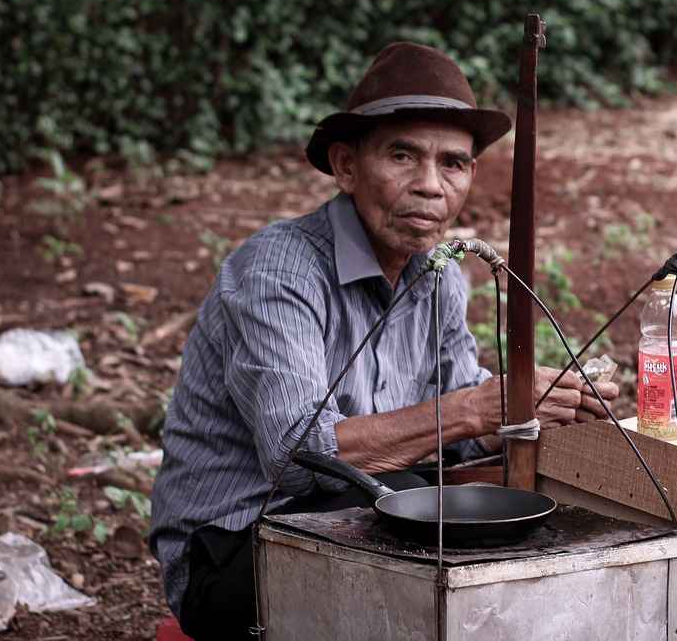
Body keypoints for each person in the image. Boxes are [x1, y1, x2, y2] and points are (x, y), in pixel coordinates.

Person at [149, 41, 618, 640]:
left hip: (361, 513)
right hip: (235, 548)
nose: (430, 186)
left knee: (477, 517)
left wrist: (532, 406)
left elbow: (458, 419)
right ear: (346, 165)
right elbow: (298, 456)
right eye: (403, 155)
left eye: (453, 163)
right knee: (416, 504)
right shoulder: (278, 270)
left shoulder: (439, 273)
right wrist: (473, 410)